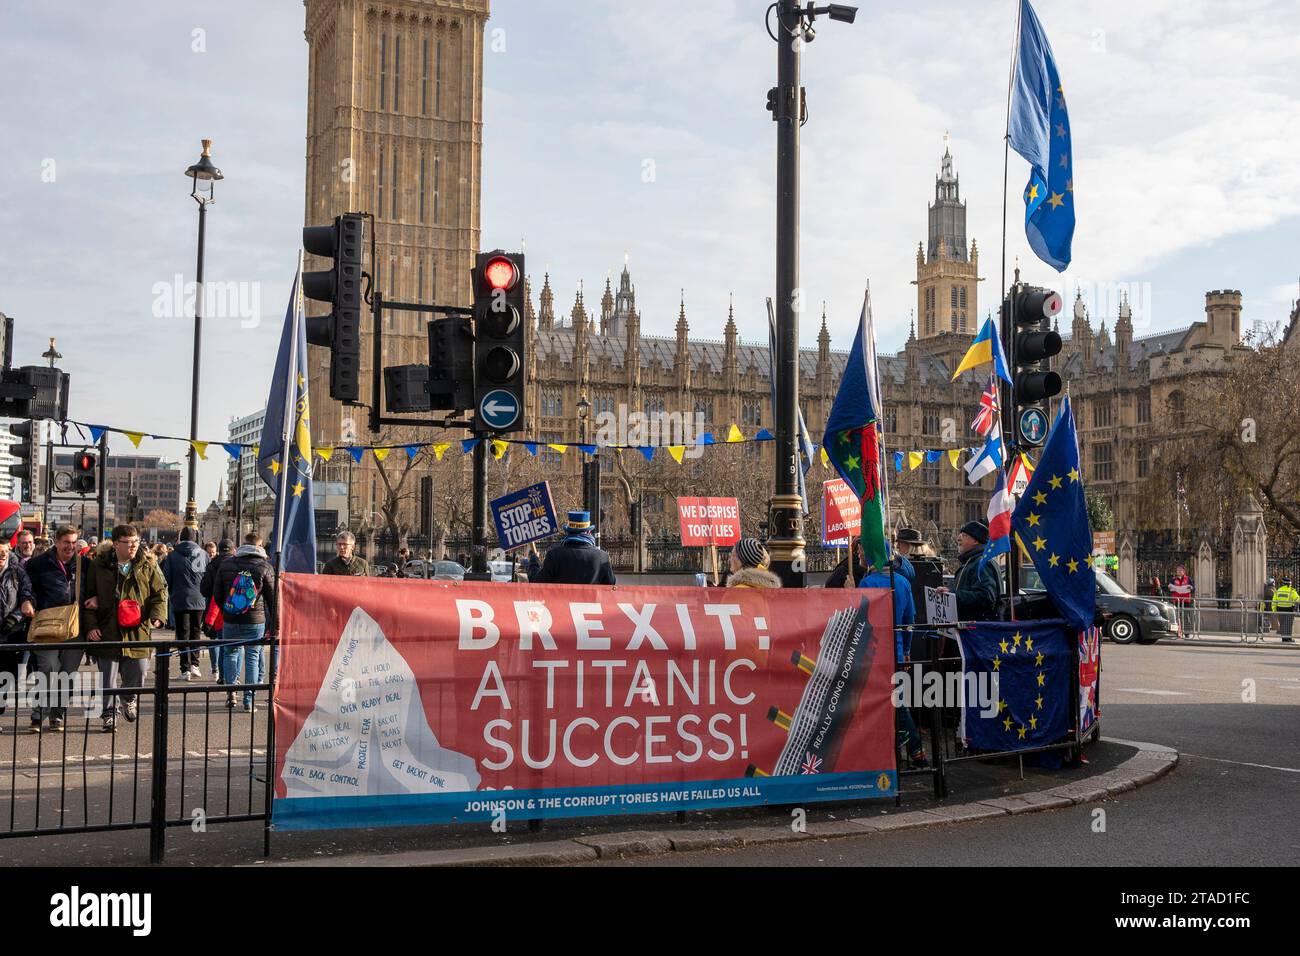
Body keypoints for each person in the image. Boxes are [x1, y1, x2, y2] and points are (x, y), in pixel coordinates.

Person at [84, 525, 168, 733]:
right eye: (127, 543)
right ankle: (109, 714)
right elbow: (86, 597)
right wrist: (91, 625)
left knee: (139, 672)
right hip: (107, 628)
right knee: (108, 678)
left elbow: (160, 592)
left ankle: (129, 698)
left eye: (136, 542)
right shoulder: (99, 565)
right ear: (115, 544)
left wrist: (158, 615)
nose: (132, 547)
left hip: (137, 630)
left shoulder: (147, 564)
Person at [859, 559, 927, 768]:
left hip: (873, 653)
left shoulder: (867, 583)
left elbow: (858, 617)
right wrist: (906, 650)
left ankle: (914, 749)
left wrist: (848, 592)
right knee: (895, 700)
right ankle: (906, 749)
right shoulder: (903, 582)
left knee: (890, 702)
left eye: (863, 551)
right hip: (896, 650)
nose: (860, 555)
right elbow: (909, 621)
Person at [213, 532, 278, 712]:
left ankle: (231, 693)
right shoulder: (265, 567)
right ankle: (248, 701)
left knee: (230, 654)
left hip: (231, 618)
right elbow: (273, 600)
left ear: (243, 545)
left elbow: (217, 593)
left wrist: (228, 609)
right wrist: (275, 625)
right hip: (255, 620)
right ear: (260, 546)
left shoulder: (226, 564)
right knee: (252, 657)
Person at [25, 526, 82, 732]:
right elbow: (27, 589)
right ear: (56, 542)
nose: (70, 547)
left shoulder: (84, 565)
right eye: (66, 542)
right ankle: (38, 715)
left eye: (74, 542)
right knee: (48, 668)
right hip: (47, 624)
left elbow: (93, 589)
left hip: (75, 626)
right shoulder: (38, 564)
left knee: (67, 673)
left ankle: (57, 715)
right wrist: (28, 601)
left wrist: (92, 598)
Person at [162, 528, 209, 681]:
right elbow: (208, 577)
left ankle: (185, 669)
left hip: (180, 597)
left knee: (182, 633)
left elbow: (166, 578)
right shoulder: (204, 554)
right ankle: (195, 664)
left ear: (181, 538)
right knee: (196, 631)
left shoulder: (173, 555)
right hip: (200, 598)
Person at [0, 540, 35, 720]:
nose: (2, 556)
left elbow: (27, 595)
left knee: (8, 677)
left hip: (12, 633)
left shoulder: (17, 572)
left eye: (5, 552)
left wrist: (15, 618)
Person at [533, 512, 616, 586]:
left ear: (568, 531)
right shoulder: (602, 557)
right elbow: (611, 585)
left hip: (560, 603)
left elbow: (537, 583)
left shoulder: (554, 555)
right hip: (591, 603)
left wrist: (534, 561)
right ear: (588, 532)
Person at [941, 521, 1000, 621]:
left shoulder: (982, 563)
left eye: (964, 535)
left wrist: (953, 595)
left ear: (975, 541)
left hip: (977, 631)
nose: (958, 538)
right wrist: (949, 592)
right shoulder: (971, 562)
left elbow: (986, 597)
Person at [200, 539, 237, 681]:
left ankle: (216, 668)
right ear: (233, 549)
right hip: (233, 605)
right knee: (230, 645)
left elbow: (204, 589)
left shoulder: (212, 565)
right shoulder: (236, 565)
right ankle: (231, 676)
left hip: (214, 604)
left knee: (215, 639)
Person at [1169, 565, 1194, 638]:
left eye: (1180, 570)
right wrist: (1171, 587)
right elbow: (1169, 587)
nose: (1178, 572)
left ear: (1184, 571)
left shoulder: (1188, 579)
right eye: (1177, 570)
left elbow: (1193, 588)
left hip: (1186, 601)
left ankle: (1187, 633)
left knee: (1186, 617)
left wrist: (1190, 587)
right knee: (1176, 617)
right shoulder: (1173, 579)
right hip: (1176, 601)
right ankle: (1177, 632)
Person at [1272, 577, 1298, 642]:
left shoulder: (1278, 590)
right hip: (1289, 609)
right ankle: (1288, 638)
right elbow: (1297, 599)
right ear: (1289, 584)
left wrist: (1274, 611)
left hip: (1279, 609)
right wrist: (1296, 607)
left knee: (1282, 624)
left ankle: (1284, 639)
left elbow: (1274, 602)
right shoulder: (1291, 591)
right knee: (1288, 625)